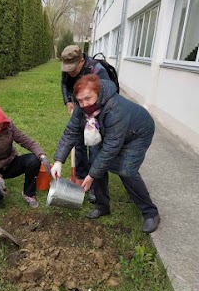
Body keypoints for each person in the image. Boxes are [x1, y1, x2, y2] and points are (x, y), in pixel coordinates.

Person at [50, 74, 160, 234]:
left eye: (88, 98)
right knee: (96, 162)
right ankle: (102, 206)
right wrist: (59, 161)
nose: (84, 104)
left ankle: (150, 213)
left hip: (137, 132)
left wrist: (92, 175)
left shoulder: (115, 109)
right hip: (105, 130)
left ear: (98, 93)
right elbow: (71, 131)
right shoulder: (81, 108)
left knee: (126, 170)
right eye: (80, 100)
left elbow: (111, 147)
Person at [60, 45, 112, 204]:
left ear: (82, 61)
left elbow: (106, 95)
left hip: (97, 112)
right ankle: (81, 178)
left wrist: (90, 114)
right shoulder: (68, 67)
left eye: (73, 69)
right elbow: (64, 83)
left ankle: (97, 186)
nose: (69, 72)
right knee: (78, 143)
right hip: (80, 109)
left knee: (96, 147)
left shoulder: (97, 70)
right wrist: (68, 101)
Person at [0, 103, 51, 208]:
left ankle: (29, 193)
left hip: (9, 163)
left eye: (1, 125)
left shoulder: (8, 126)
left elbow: (27, 141)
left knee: (34, 159)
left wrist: (42, 156)